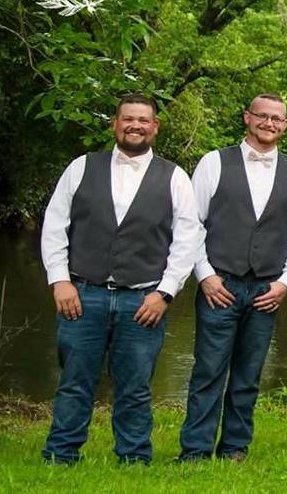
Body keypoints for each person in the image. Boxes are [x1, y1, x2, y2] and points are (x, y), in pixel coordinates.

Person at [40, 93, 201, 464]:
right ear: (115, 123)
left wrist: (165, 292)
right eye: (128, 118)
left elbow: (188, 239)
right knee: (75, 382)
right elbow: (54, 226)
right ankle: (60, 455)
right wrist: (59, 280)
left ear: (155, 127)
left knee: (135, 386)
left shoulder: (175, 177)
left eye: (143, 120)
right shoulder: (81, 167)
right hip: (83, 293)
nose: (135, 126)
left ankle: (133, 457)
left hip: (142, 300)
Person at [178, 93, 287, 462]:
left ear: (285, 126)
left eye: (277, 119)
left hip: (267, 288)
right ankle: (195, 451)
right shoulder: (213, 163)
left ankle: (235, 448)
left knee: (248, 375)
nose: (269, 123)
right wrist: (204, 276)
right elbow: (192, 226)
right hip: (219, 284)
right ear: (247, 118)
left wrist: (286, 283)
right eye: (262, 116)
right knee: (208, 371)